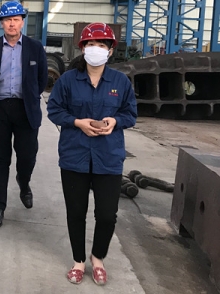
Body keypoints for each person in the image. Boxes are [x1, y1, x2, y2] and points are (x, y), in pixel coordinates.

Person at [47, 22, 137, 286]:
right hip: (74, 156)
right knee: (76, 212)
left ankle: (98, 258)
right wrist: (78, 122)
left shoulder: (120, 82)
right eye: (91, 44)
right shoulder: (68, 80)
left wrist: (115, 121)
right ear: (83, 48)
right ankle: (78, 261)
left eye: (101, 45)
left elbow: (130, 114)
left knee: (107, 214)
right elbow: (54, 110)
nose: (96, 49)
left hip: (108, 156)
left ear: (110, 51)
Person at [0, 0, 48, 228]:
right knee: (1, 158)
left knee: (27, 156)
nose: (12, 24)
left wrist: (29, 96)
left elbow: (42, 79)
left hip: (25, 109)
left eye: (16, 19)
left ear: (22, 22)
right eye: (8, 20)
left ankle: (23, 181)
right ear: (1, 23)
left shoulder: (34, 47)